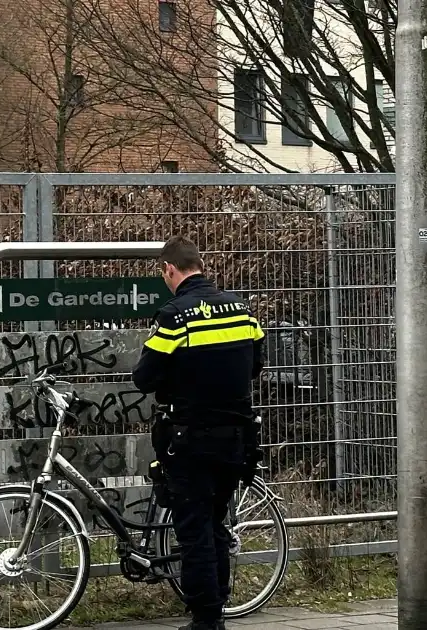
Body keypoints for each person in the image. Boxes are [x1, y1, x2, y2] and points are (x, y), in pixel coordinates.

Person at [132, 236, 265, 630]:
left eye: (164, 275)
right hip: (236, 438)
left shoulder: (175, 316)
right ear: (200, 265)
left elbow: (144, 377)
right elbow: (255, 364)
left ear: (169, 270)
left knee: (194, 530)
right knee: (215, 523)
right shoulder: (242, 310)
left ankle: (207, 620)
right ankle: (217, 611)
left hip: (189, 438)